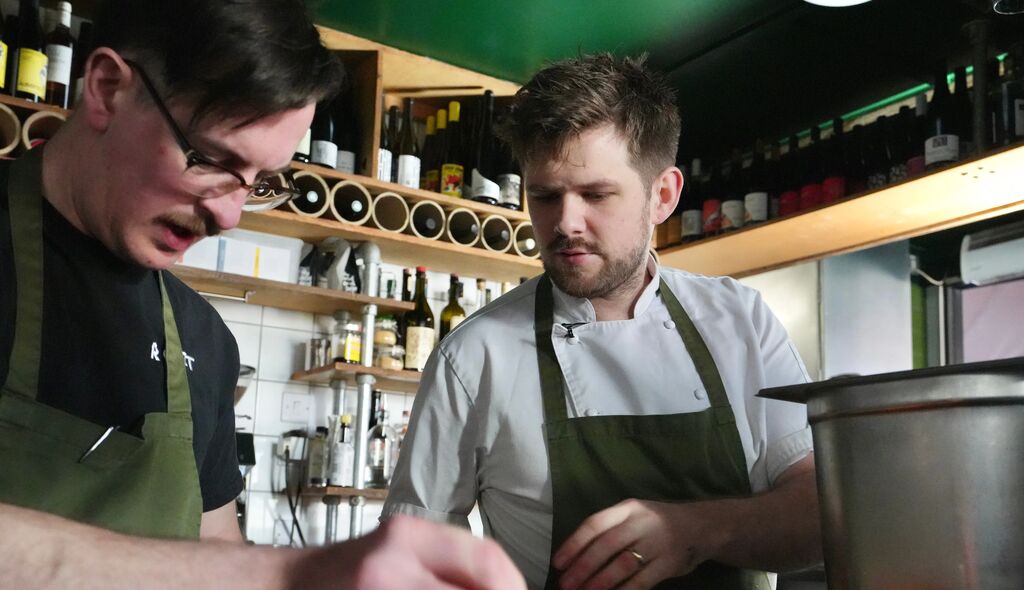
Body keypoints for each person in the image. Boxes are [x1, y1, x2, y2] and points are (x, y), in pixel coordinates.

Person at [0, 1, 525, 588]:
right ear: (106, 89)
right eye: (211, 159)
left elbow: (215, 545)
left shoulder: (204, 339)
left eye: (259, 183)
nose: (229, 215)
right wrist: (285, 572)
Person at [383, 53, 823, 590]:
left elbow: (819, 516)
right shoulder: (474, 356)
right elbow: (414, 559)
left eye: (596, 194)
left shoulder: (740, 320)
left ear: (663, 196)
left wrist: (697, 531)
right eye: (545, 196)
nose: (565, 223)